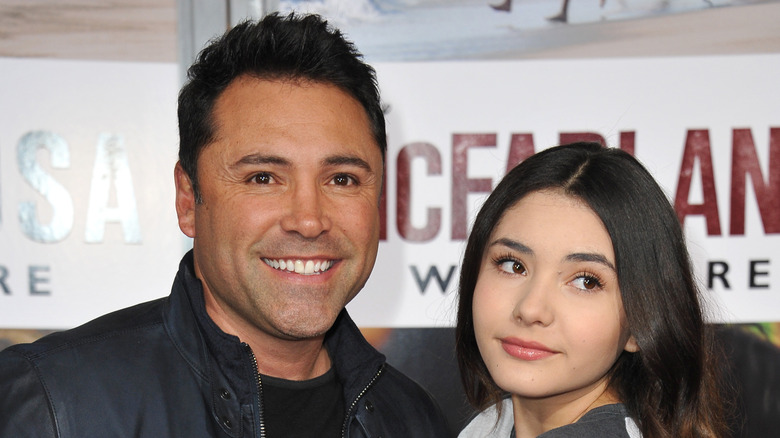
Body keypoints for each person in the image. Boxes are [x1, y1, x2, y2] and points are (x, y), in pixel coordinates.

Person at [0, 12, 451, 437]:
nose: (309, 220)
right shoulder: (58, 403)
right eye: (263, 177)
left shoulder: (410, 418)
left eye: (341, 178)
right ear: (188, 200)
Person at [455, 142, 729, 437]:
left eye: (586, 281)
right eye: (513, 265)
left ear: (642, 323)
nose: (530, 309)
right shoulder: (488, 426)